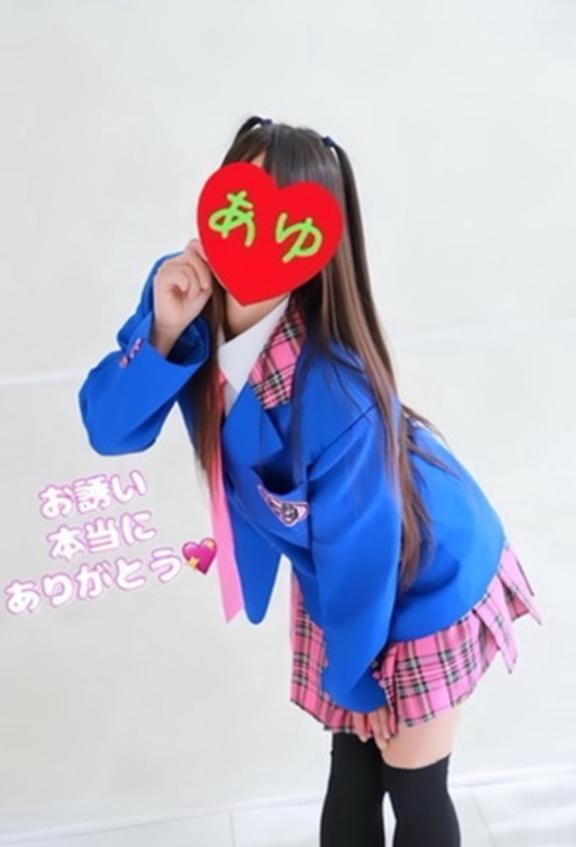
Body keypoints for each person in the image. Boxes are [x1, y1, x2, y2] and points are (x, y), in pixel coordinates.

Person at [78, 115, 544, 847]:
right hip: (341, 567)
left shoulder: (335, 391)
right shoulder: (184, 292)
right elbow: (111, 429)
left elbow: (365, 550)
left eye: (279, 217)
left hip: (426, 569)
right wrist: (164, 330)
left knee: (412, 781)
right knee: (351, 766)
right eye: (241, 198)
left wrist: (355, 675)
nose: (250, 232)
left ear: (311, 243)